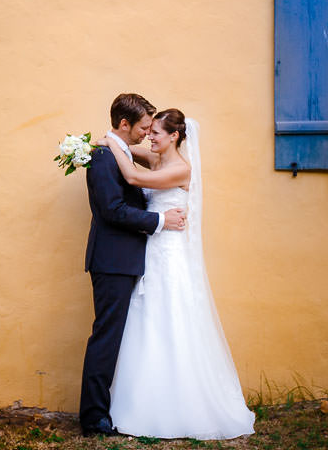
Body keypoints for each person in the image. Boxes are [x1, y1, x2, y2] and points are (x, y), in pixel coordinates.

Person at [103, 108, 255, 440]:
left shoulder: (180, 169)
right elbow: (130, 151)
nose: (149, 137)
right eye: (149, 132)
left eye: (156, 133)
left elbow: (133, 177)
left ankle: (180, 404)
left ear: (174, 136)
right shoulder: (156, 157)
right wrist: (110, 141)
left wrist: (110, 142)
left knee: (170, 316)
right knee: (146, 320)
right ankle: (142, 401)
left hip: (169, 255)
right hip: (150, 250)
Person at [79, 93, 188, 437]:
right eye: (143, 127)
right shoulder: (103, 157)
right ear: (125, 124)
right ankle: (94, 417)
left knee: (120, 337)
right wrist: (161, 220)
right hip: (113, 260)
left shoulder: (123, 152)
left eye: (153, 129)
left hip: (129, 260)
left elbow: (137, 169)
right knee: (107, 337)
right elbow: (112, 210)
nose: (147, 133)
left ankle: (120, 408)